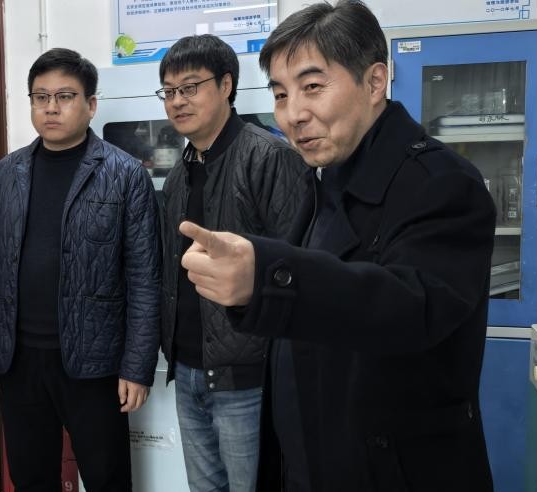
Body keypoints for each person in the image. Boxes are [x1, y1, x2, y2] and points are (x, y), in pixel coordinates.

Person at [178, 2, 496, 490]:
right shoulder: (324, 179)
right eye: (280, 94)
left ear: (375, 81)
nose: (293, 115)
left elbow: (409, 307)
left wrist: (265, 277)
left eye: (312, 87)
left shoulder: (442, 183)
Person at [0, 48, 161, 492]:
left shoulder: (125, 174)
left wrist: (137, 365)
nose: (51, 107)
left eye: (65, 96)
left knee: (106, 478)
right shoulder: (7, 173)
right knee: (31, 477)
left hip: (95, 360)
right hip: (19, 358)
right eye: (40, 97)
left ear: (91, 105)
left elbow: (145, 278)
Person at [156, 34, 307, 492]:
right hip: (187, 369)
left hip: (248, 377)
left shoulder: (270, 158)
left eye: (190, 87)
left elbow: (298, 269)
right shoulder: (179, 175)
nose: (177, 101)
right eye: (169, 91)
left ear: (226, 85)